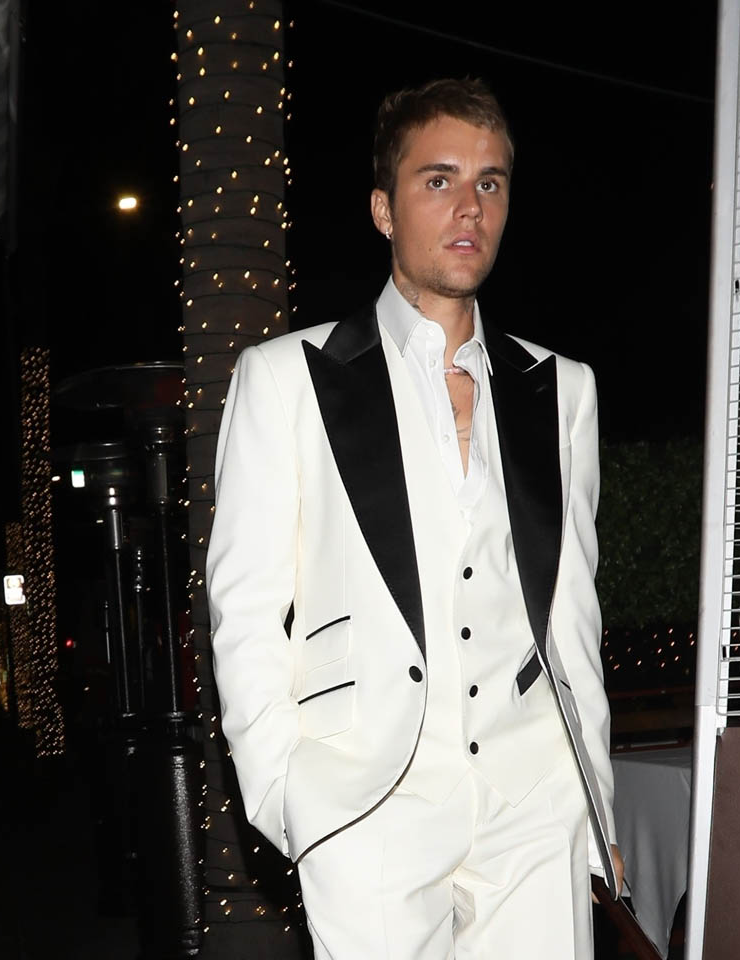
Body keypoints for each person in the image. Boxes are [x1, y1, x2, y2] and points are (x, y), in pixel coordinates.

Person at [207, 76, 623, 959]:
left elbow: (571, 616)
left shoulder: (562, 390)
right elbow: (244, 609)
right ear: (383, 210)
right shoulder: (286, 378)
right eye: (438, 180)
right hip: (366, 805)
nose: (470, 205)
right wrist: (286, 796)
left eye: (489, 181)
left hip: (533, 801)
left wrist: (595, 813)